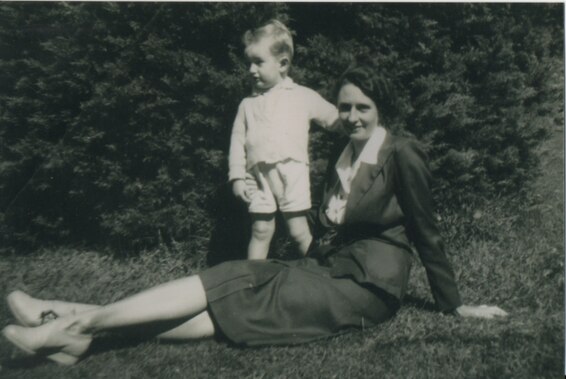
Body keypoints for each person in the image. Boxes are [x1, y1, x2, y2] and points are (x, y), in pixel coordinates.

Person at [2, 64, 508, 366]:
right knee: (232, 296)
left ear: (382, 110)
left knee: (234, 284)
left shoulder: (401, 153)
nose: (352, 117)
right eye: (345, 107)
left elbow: (425, 229)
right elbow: (334, 226)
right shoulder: (345, 156)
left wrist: (454, 304)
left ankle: (70, 324)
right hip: (329, 269)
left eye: (364, 108)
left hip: (369, 287)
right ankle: (70, 323)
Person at [229, 20, 340, 259]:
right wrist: (237, 177)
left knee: (298, 229)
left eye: (258, 62)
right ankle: (252, 282)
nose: (251, 70)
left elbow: (334, 119)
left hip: (292, 172)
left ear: (282, 64)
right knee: (260, 229)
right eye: (249, 62)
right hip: (257, 176)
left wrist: (357, 126)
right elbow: (237, 142)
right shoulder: (247, 105)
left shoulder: (302, 96)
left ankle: (318, 274)